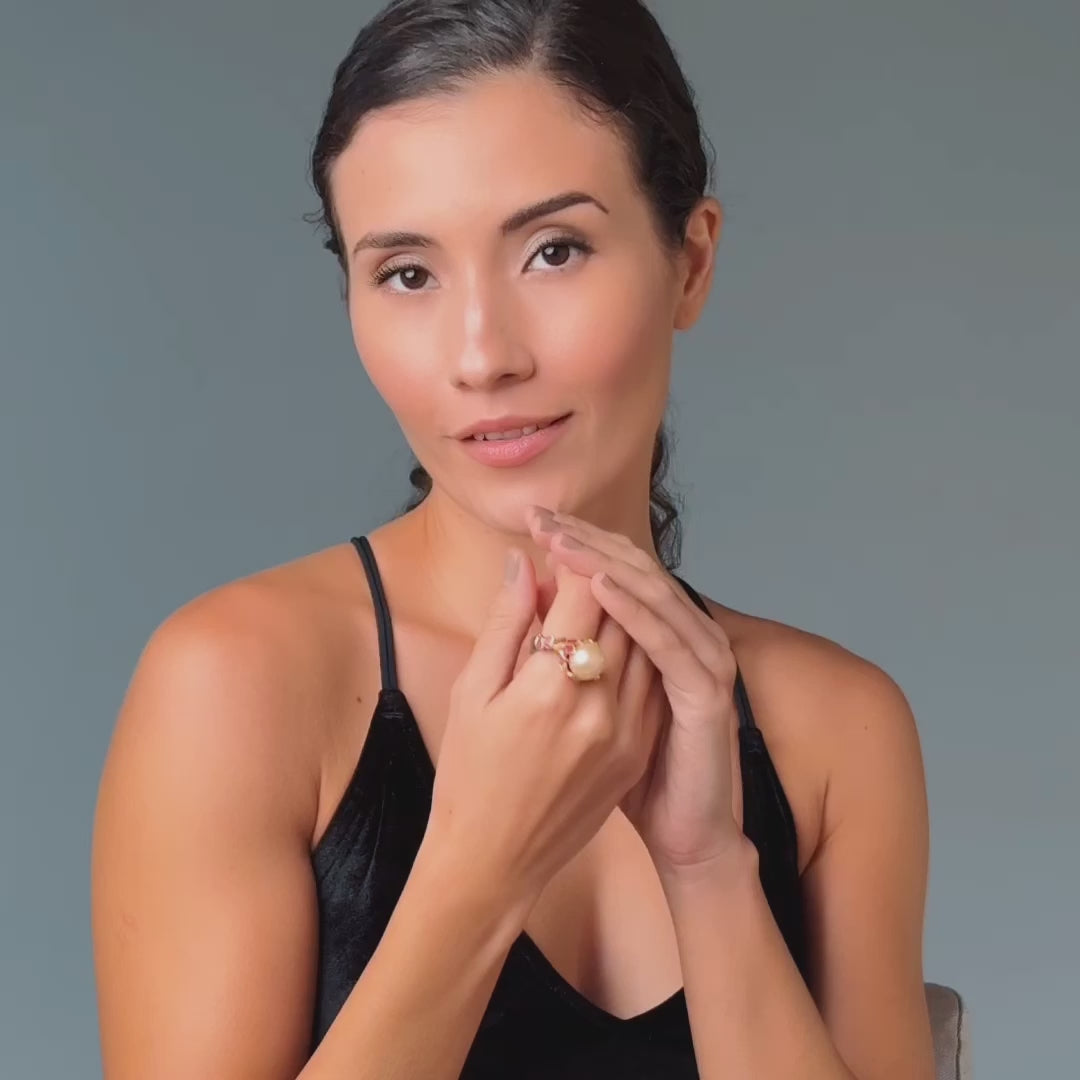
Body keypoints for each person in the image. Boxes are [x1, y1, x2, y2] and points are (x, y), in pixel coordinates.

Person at [91, 1, 937, 1077]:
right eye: (408, 273)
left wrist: (710, 867)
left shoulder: (836, 733)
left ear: (691, 259)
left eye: (553, 250)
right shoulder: (235, 686)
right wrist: (480, 867)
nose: (481, 355)